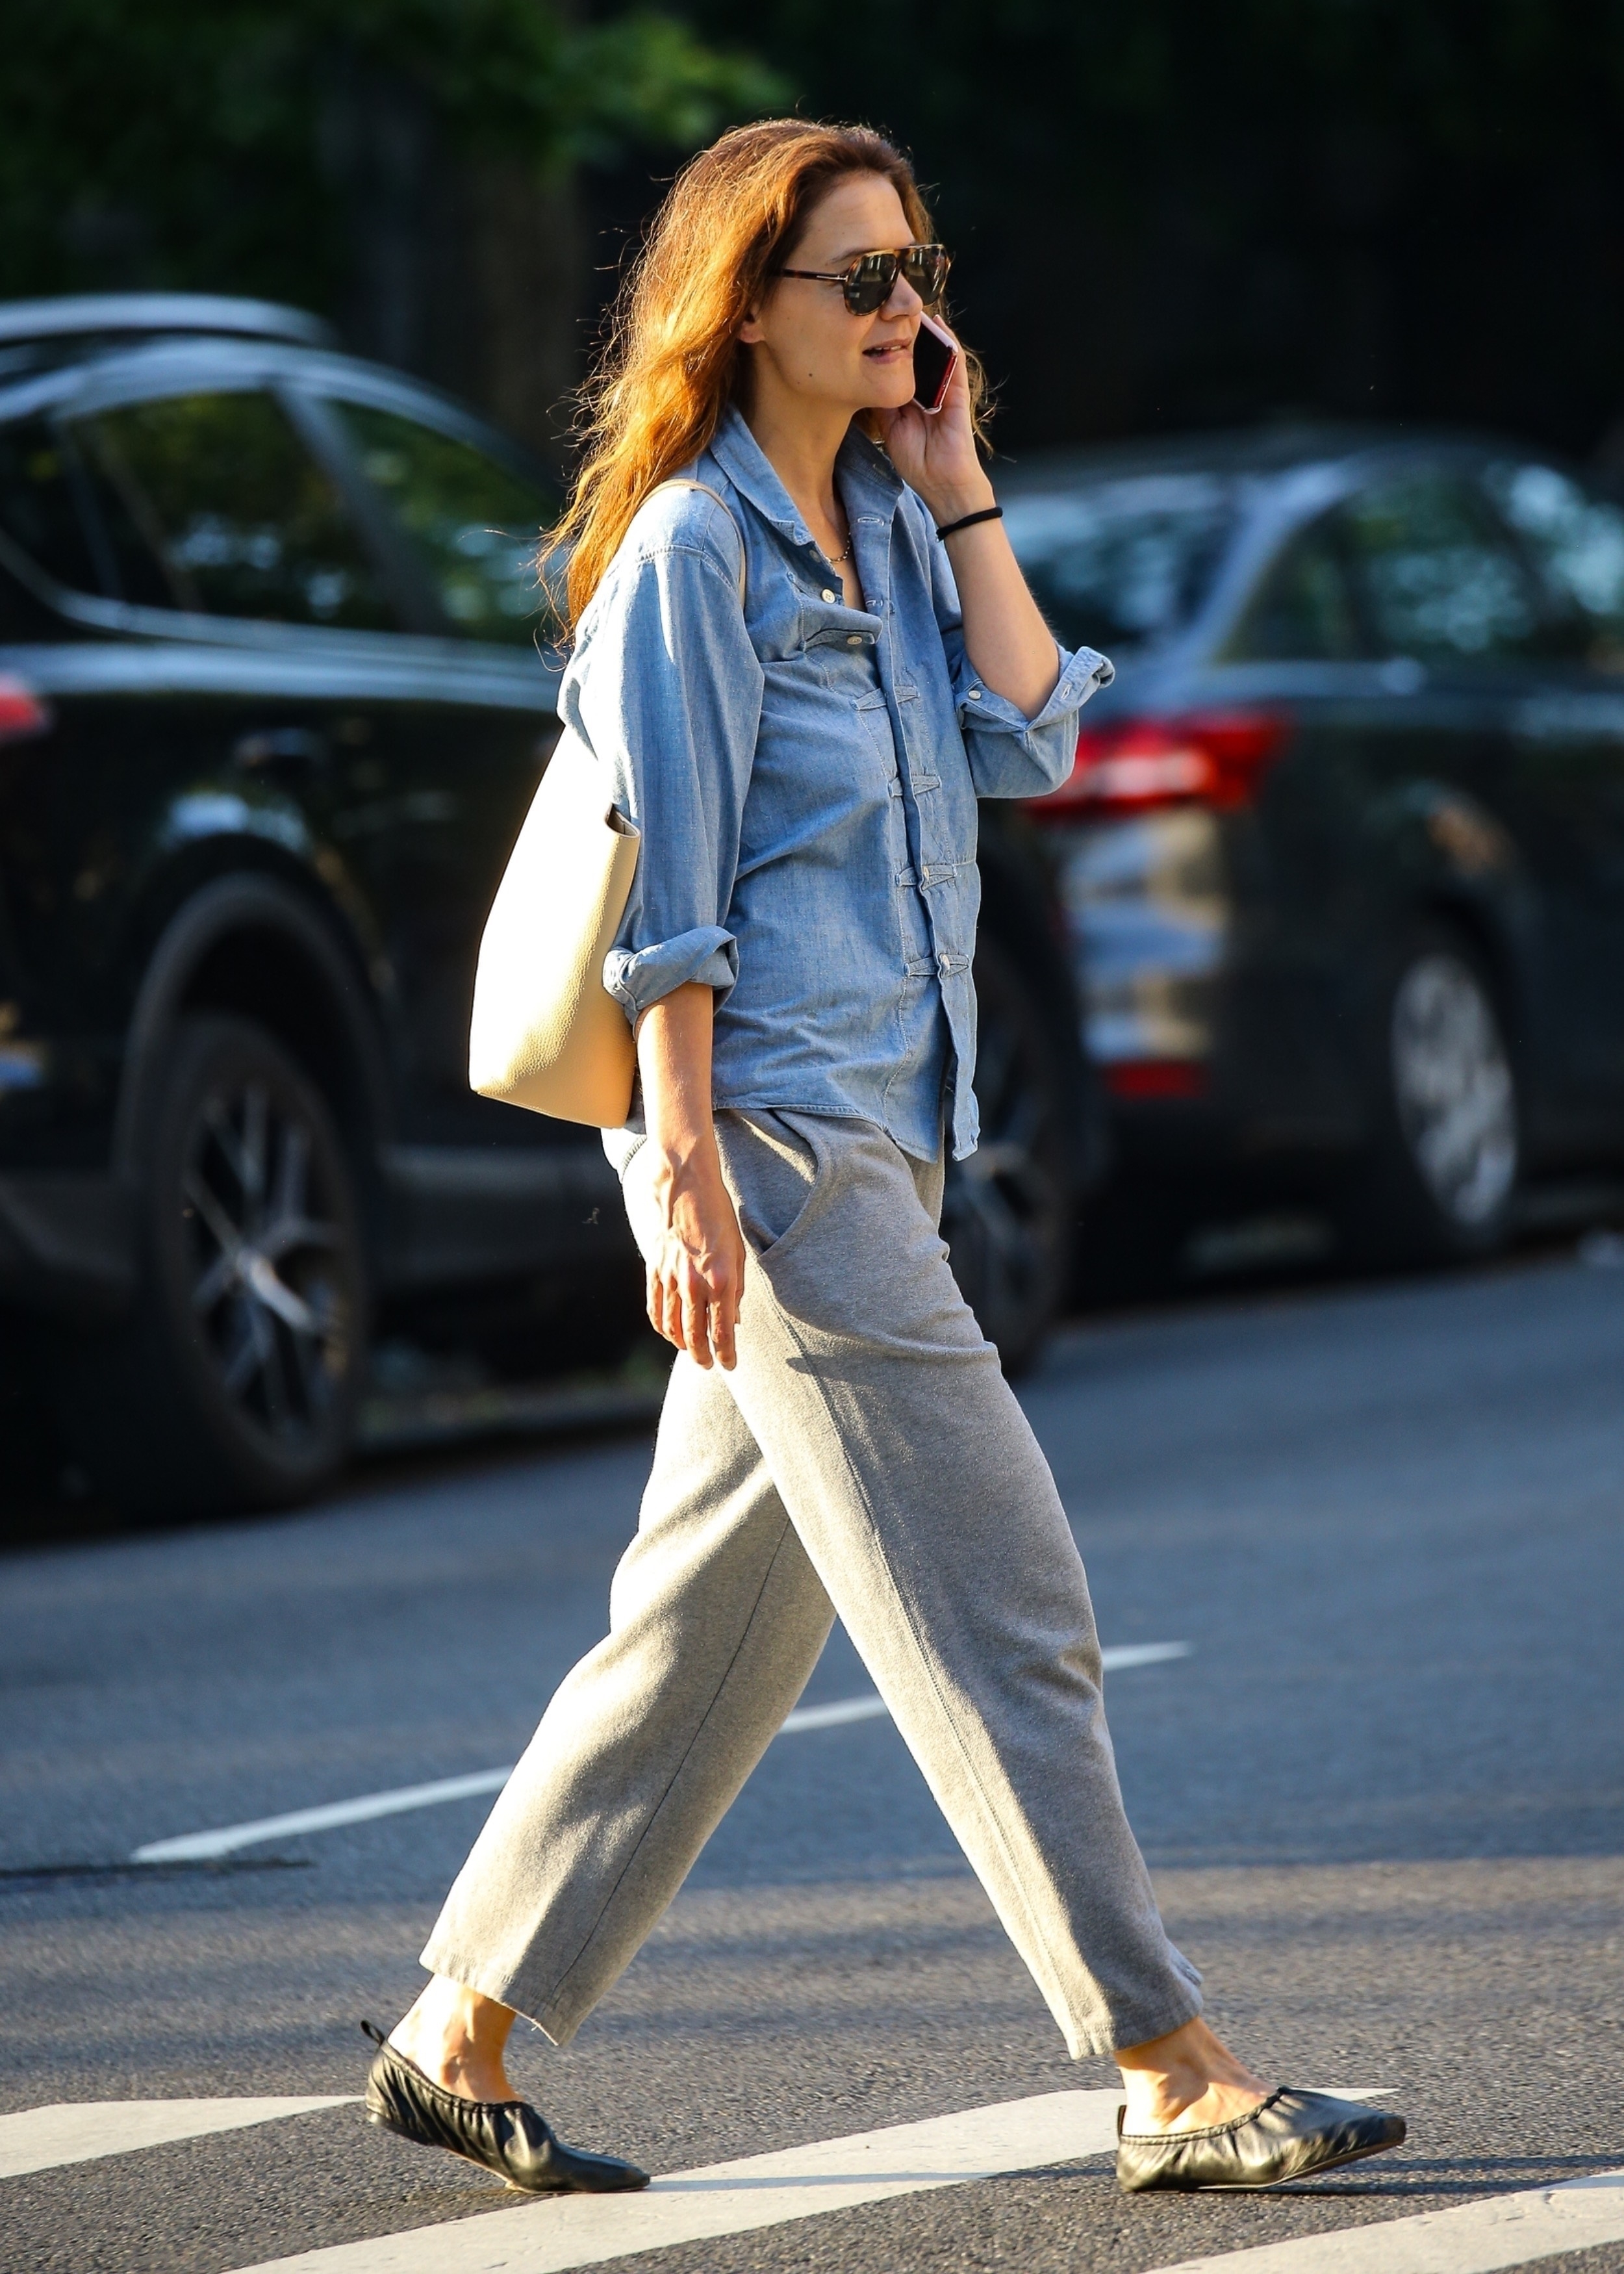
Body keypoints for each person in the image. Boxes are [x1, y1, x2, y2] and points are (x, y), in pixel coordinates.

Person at [362, 117, 1405, 2200]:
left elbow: (1039, 736)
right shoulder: (692, 559)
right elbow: (665, 899)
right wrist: (681, 1167)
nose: (907, 312)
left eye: (921, 271)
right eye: (861, 281)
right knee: (1013, 1604)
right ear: (746, 307)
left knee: (698, 1645)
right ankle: (1166, 2062)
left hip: (892, 1144)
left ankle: (456, 2023)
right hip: (780, 1150)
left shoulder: (896, 532)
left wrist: (961, 486)